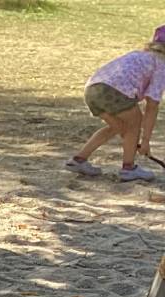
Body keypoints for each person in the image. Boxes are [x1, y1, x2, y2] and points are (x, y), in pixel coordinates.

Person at [65, 25, 165, 181]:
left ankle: (78, 160)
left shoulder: (140, 55)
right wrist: (145, 141)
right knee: (134, 122)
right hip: (114, 91)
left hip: (92, 89)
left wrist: (133, 138)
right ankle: (128, 168)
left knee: (119, 127)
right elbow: (152, 106)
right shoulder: (161, 65)